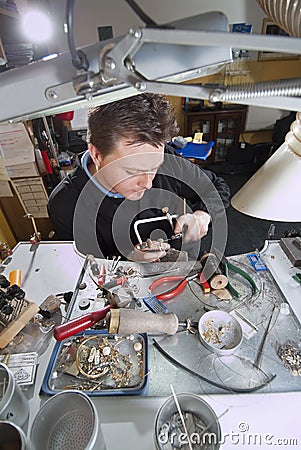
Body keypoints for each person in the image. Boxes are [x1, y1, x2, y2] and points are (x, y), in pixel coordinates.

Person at [48, 94, 230, 262]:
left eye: (154, 168)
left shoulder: (167, 159)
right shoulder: (65, 205)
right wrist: (129, 263)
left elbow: (214, 187)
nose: (148, 183)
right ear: (97, 155)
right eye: (132, 171)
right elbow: (85, 272)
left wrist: (203, 216)